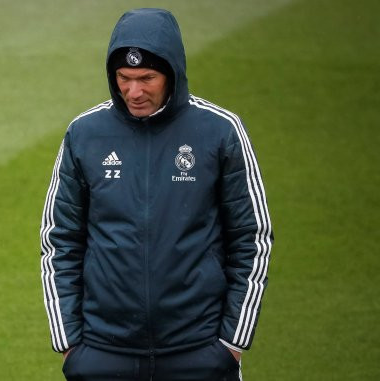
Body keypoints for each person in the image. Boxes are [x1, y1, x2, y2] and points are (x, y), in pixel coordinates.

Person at [40, 8, 273, 381]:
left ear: (172, 73)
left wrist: (232, 343)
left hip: (199, 351)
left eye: (147, 77)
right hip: (103, 353)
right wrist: (70, 345)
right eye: (124, 78)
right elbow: (59, 240)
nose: (134, 91)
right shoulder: (85, 134)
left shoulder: (220, 131)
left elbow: (252, 237)